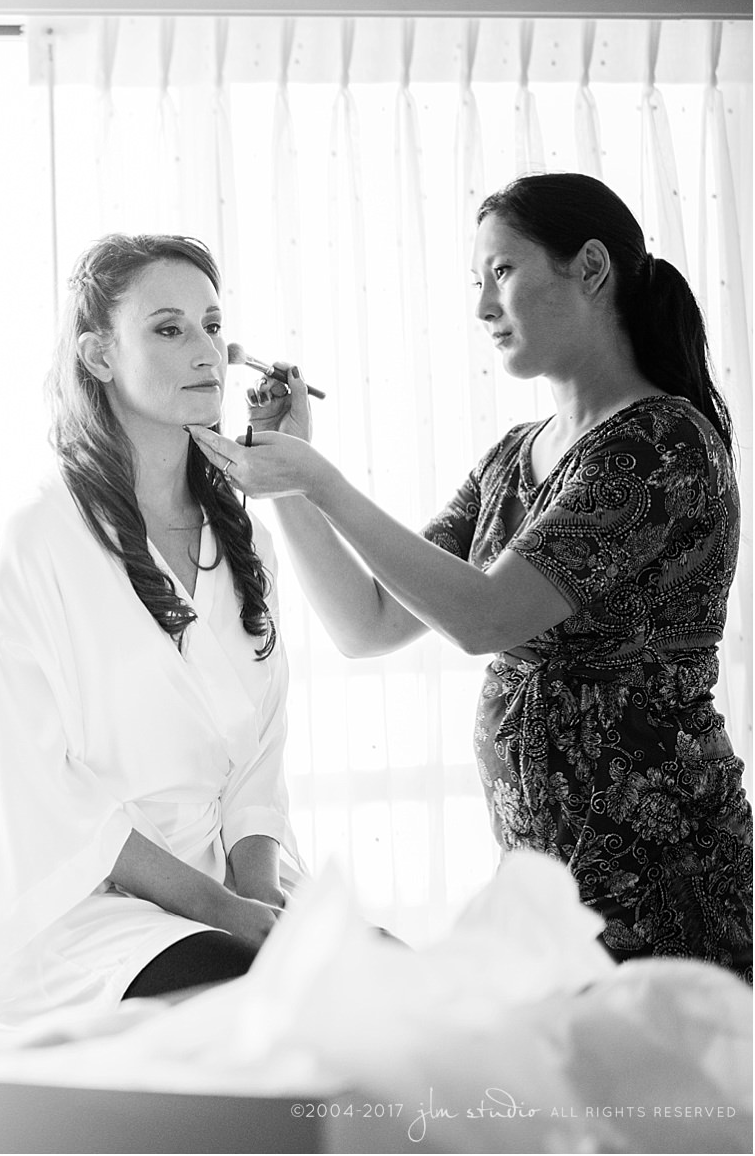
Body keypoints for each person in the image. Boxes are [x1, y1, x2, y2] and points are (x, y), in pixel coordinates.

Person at [190, 172, 752, 982]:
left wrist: (323, 480)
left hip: (664, 890)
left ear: (591, 268)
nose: (483, 306)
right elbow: (369, 624)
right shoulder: (510, 460)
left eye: (504, 273)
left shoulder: (659, 444)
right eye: (477, 282)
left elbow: (486, 618)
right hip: (549, 899)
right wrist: (292, 488)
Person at [0, 233, 301, 1026]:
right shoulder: (41, 538)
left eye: (214, 325)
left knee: (394, 981)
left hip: (232, 887)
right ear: (100, 355)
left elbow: (258, 772)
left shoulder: (248, 544)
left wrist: (263, 907)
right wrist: (234, 922)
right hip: (83, 910)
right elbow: (46, 793)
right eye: (169, 328)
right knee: (251, 995)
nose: (205, 349)